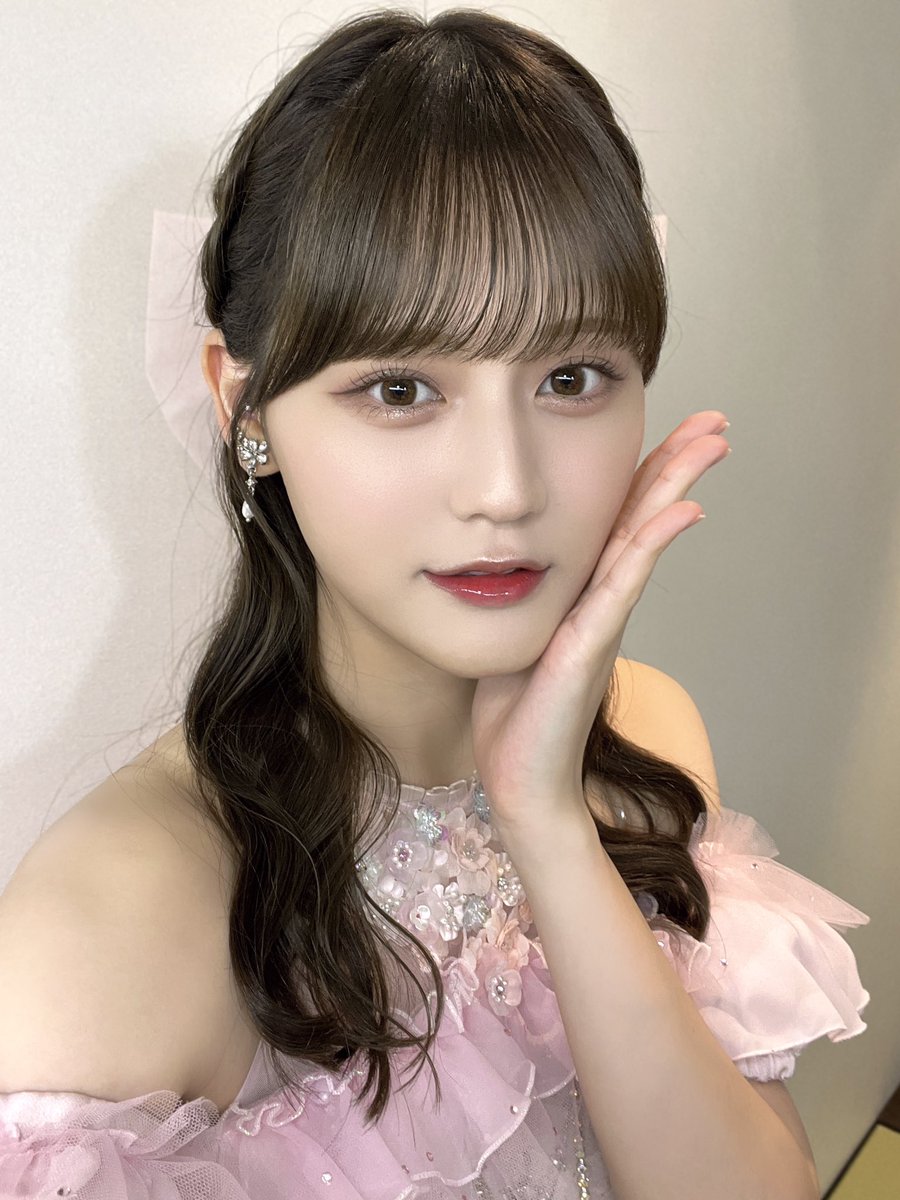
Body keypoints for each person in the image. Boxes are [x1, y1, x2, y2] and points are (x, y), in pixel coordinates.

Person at [0, 8, 870, 1198]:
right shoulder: (110, 929)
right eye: (402, 389)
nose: (505, 488)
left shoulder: (648, 733)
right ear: (244, 408)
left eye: (572, 376)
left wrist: (547, 820)